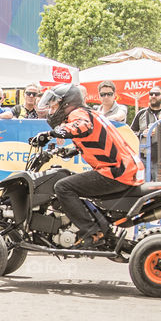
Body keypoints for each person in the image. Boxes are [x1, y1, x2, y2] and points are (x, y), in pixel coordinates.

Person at [36, 84, 145, 248]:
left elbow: (82, 126)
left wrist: (52, 133)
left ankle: (92, 232)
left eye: (55, 105)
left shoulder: (78, 114)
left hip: (115, 171)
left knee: (63, 187)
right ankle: (104, 232)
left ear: (67, 103)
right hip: (122, 169)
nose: (52, 109)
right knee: (71, 181)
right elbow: (94, 140)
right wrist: (69, 151)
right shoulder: (91, 113)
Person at [130, 86, 161, 179]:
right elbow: (131, 133)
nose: (153, 96)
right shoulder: (141, 113)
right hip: (144, 158)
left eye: (157, 94)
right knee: (144, 187)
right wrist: (142, 133)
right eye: (151, 94)